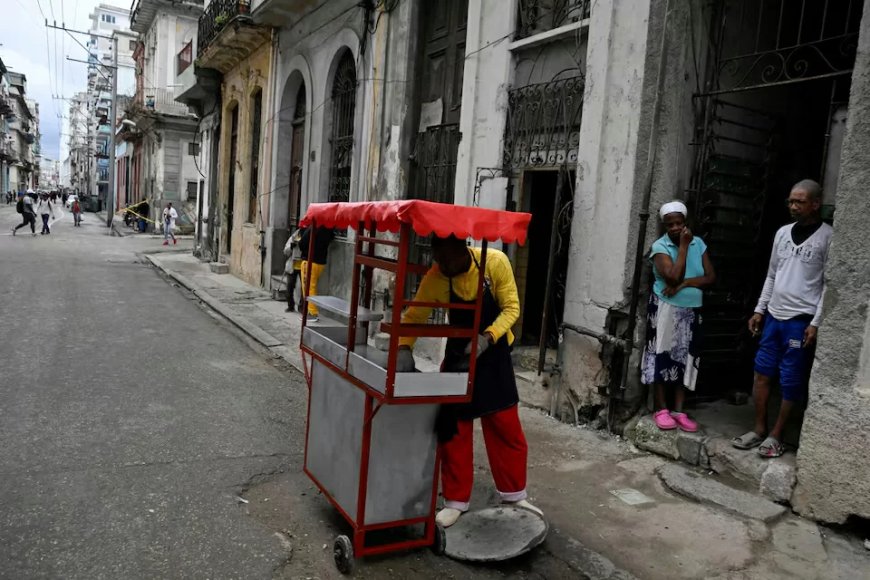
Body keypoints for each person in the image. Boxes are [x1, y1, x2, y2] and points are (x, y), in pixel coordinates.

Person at [398, 234, 541, 528]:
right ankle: (455, 500)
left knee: (505, 427)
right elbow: (415, 315)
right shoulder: (436, 277)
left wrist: (487, 338)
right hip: (459, 356)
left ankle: (514, 495)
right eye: (437, 259)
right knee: (454, 430)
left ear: (462, 249)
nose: (441, 265)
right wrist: (403, 348)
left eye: (446, 259)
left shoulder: (495, 263)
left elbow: (512, 308)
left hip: (493, 355)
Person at [732, 179, 833, 458]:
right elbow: (772, 275)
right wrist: (759, 309)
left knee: (790, 378)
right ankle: (759, 428)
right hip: (774, 315)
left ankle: (778, 434)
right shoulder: (782, 233)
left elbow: (828, 283)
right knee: (762, 372)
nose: (793, 206)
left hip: (800, 319)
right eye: (791, 201)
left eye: (800, 201)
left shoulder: (828, 237)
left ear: (815, 204)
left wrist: (816, 321)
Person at [641, 201, 716, 432]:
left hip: (692, 310)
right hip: (666, 307)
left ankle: (679, 410)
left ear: (686, 223)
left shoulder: (699, 243)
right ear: (664, 226)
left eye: (679, 223)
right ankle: (660, 408)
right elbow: (672, 277)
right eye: (670, 224)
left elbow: (710, 277)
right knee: (663, 355)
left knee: (685, 358)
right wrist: (683, 247)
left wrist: (685, 283)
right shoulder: (660, 247)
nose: (675, 228)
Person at [298, 226, 335, 321]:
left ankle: (312, 313)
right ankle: (311, 311)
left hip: (310, 261)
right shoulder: (328, 229)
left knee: (308, 288)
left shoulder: (313, 227)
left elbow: (302, 243)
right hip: (321, 262)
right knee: (312, 287)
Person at [283, 228, 303, 313]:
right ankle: (290, 305)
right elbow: (285, 251)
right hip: (292, 266)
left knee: (304, 289)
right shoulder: (293, 237)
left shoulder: (307, 237)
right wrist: (291, 247)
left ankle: (302, 307)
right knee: (289, 286)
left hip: (303, 265)